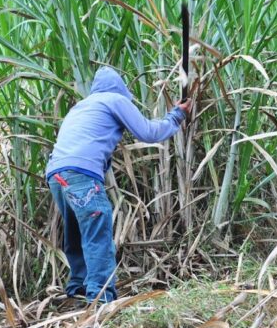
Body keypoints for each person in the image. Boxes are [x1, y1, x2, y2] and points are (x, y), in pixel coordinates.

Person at [46, 66, 191, 304]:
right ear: (121, 89)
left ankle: (78, 289)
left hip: (56, 175)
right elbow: (149, 133)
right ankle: (101, 298)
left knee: (76, 232)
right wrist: (176, 115)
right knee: (97, 233)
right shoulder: (114, 99)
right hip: (82, 174)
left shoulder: (81, 107)